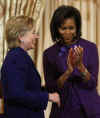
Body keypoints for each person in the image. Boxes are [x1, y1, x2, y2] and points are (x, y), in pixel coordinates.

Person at [43, 5, 100, 118]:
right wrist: (68, 72)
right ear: (56, 29)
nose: (67, 32)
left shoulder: (91, 48)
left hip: (89, 111)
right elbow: (50, 88)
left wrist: (81, 67)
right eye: (63, 28)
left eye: (71, 28)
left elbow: (93, 83)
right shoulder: (49, 54)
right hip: (62, 111)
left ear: (77, 27)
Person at [1, 15, 60, 118]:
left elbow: (27, 88)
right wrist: (49, 96)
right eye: (33, 33)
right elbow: (17, 94)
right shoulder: (16, 58)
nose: (36, 36)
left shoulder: (19, 56)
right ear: (21, 37)